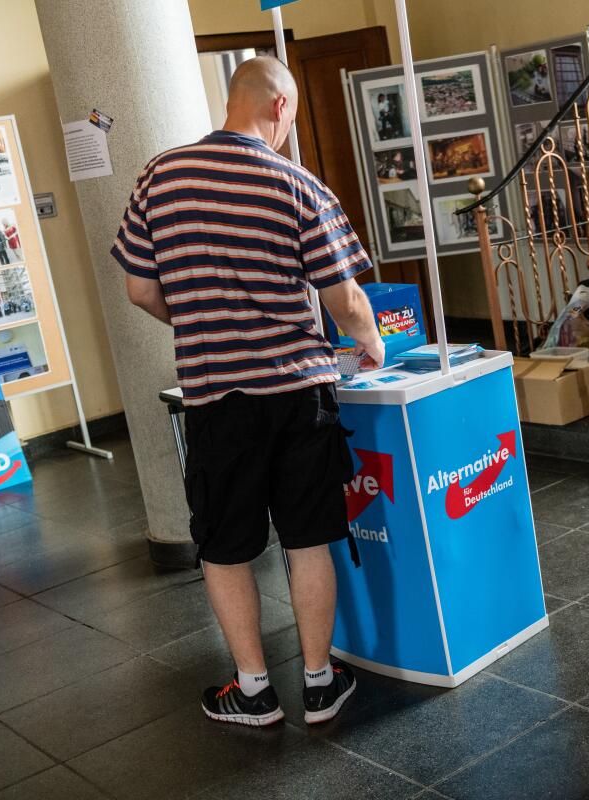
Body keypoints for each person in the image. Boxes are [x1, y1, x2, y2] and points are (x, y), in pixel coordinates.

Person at [112, 55, 384, 729]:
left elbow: (140, 288)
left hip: (213, 397)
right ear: (281, 109)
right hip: (297, 392)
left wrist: (204, 322)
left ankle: (255, 690)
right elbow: (345, 298)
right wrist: (372, 341)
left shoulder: (160, 175)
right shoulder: (297, 184)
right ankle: (320, 684)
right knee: (308, 538)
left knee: (226, 546)